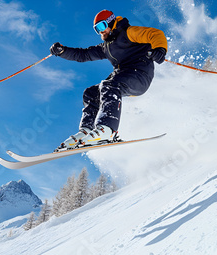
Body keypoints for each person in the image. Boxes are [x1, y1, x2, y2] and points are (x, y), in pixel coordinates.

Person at [50, 10, 167, 151]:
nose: (100, 33)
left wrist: (160, 49)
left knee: (109, 85)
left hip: (140, 76)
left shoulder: (129, 32)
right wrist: (63, 51)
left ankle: (107, 129)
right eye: (96, 30)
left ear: (111, 22)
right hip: (122, 76)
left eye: (101, 27)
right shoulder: (106, 47)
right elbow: (83, 54)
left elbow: (155, 34)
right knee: (91, 93)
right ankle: (86, 131)